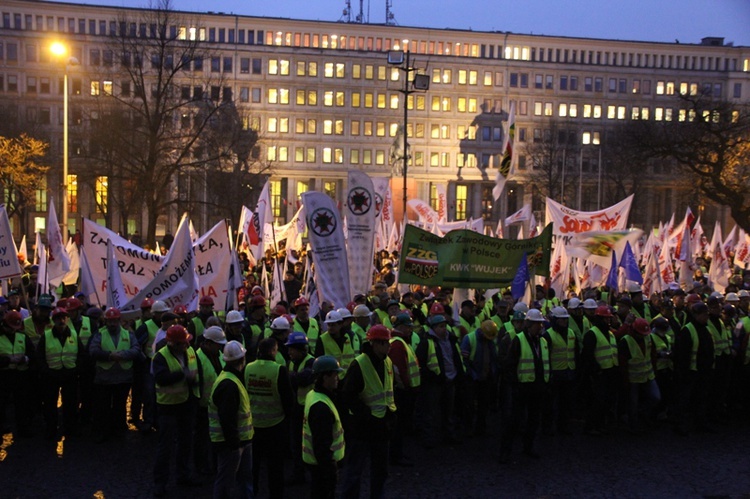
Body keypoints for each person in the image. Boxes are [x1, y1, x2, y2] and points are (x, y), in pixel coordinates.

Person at [340, 325, 396, 499]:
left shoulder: (387, 361)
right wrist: (365, 414)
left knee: (380, 470)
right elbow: (348, 395)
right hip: (363, 427)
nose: (389, 346)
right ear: (374, 344)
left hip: (382, 424)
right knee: (355, 470)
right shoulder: (359, 364)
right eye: (385, 342)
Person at [152, 324, 201, 496]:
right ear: (173, 344)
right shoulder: (160, 357)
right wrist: (183, 374)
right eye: (183, 343)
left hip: (186, 403)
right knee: (165, 446)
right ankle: (160, 482)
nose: (187, 345)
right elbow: (161, 379)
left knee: (186, 442)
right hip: (168, 406)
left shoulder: (190, 351)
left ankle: (183, 475)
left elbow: (196, 373)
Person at [245, 337, 294, 499]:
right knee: (275, 467)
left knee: (254, 466)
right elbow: (288, 400)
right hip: (275, 425)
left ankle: (252, 492)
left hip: (253, 425)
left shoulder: (248, 368)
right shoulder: (279, 370)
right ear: (273, 351)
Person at [499, 309, 551, 463]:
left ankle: (528, 447)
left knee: (534, 421)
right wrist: (515, 385)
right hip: (522, 388)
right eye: (537, 324)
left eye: (541, 324)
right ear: (529, 325)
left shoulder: (542, 342)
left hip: (537, 388)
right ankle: (505, 452)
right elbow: (509, 365)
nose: (540, 327)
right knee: (514, 421)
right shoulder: (518, 340)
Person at [88, 307, 142, 443]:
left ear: (119, 320)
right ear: (106, 321)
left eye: (115, 321)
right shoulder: (99, 334)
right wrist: (109, 356)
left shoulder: (128, 334)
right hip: (104, 378)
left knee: (120, 406)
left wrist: (122, 355)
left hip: (123, 378)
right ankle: (104, 432)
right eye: (110, 321)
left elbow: (136, 349)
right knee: (103, 407)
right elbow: (93, 351)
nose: (112, 324)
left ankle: (119, 431)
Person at [209, 341, 254, 499]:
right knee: (226, 483)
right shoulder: (229, 384)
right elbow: (227, 418)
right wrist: (234, 444)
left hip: (239, 441)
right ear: (243, 359)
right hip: (232, 444)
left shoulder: (228, 379)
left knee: (240, 480)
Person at [415, 314, 464, 448]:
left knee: (449, 410)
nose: (444, 329)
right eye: (441, 327)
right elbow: (421, 363)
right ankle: (429, 438)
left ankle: (448, 434)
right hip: (435, 383)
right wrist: (432, 377)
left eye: (445, 326)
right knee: (431, 411)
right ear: (434, 328)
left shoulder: (451, 340)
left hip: (450, 380)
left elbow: (456, 358)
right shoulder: (427, 342)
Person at [303, 355, 345, 499]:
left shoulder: (313, 395)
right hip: (323, 467)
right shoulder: (321, 406)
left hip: (316, 464)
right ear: (324, 377)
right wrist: (331, 469)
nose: (337, 378)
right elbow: (322, 444)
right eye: (334, 374)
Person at [37, 307, 81, 440]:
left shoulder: (74, 334)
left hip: (70, 375)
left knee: (70, 405)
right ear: (53, 320)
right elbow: (39, 357)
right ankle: (51, 430)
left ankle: (70, 430)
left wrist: (76, 370)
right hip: (51, 376)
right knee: (50, 406)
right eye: (58, 318)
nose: (61, 321)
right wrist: (47, 372)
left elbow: (81, 355)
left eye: (63, 318)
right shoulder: (46, 336)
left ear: (67, 319)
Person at [673, 302, 714, 435]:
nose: (707, 316)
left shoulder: (706, 329)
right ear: (696, 315)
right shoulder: (687, 330)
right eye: (704, 314)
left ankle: (700, 423)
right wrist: (682, 373)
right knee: (685, 400)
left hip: (703, 371)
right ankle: (681, 425)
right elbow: (682, 354)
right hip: (690, 372)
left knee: (701, 399)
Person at [580, 305, 618, 435]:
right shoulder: (592, 334)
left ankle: (600, 424)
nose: (608, 321)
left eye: (609, 319)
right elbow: (588, 355)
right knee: (597, 401)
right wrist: (596, 370)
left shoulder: (610, 334)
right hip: (599, 373)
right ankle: (591, 426)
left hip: (610, 371)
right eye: (606, 319)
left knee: (606, 400)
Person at [389, 312, 421, 464]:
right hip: (402, 392)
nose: (411, 330)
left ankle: (398, 453)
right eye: (408, 327)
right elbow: (399, 369)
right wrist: (406, 387)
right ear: (401, 327)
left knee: (400, 425)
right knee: (398, 425)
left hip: (404, 390)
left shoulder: (401, 342)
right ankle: (396, 455)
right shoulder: (397, 344)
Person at [195, 325, 227, 476]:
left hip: (217, 405)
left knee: (215, 438)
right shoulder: (197, 357)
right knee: (201, 439)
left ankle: (213, 465)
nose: (220, 347)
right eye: (218, 344)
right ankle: (201, 466)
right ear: (208, 343)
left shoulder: (219, 354)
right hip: (202, 406)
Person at [618, 318, 660, 432]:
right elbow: (623, 364)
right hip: (633, 378)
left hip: (648, 375)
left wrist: (654, 371)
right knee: (633, 403)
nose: (643, 336)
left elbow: (653, 355)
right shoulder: (625, 341)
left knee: (656, 398)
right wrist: (625, 380)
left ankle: (642, 414)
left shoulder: (648, 337)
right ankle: (634, 425)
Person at [542, 306, 578, 435]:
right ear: (555, 320)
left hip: (568, 372)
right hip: (555, 373)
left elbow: (575, 352)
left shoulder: (571, 333)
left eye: (565, 319)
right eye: (562, 320)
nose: (564, 322)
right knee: (551, 403)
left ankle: (563, 426)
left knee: (565, 402)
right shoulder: (548, 335)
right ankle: (547, 427)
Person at [460, 319, 499, 437]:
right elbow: (464, 360)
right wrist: (472, 374)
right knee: (470, 405)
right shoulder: (469, 339)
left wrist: (492, 374)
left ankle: (480, 427)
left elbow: (493, 359)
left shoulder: (490, 341)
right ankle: (468, 427)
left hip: (485, 378)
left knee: (484, 404)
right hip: (472, 378)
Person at [286, 331, 315, 484]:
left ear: (301, 349)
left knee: (309, 443)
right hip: (296, 408)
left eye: (292, 349)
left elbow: (303, 379)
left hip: (308, 409)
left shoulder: (311, 362)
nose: (289, 352)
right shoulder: (292, 363)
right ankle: (299, 473)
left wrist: (289, 378)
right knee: (296, 444)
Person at [0, 310, 35, 437]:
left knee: (21, 403)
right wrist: (7, 360)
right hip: (3, 375)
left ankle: (22, 428)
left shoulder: (22, 336)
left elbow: (32, 353)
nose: (13, 331)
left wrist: (25, 359)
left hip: (20, 374)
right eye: (11, 328)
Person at [315, 310, 356, 375]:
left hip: (348, 376)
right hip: (331, 377)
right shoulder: (321, 340)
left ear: (340, 324)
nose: (330, 328)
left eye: (333, 325)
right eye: (329, 325)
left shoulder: (349, 336)